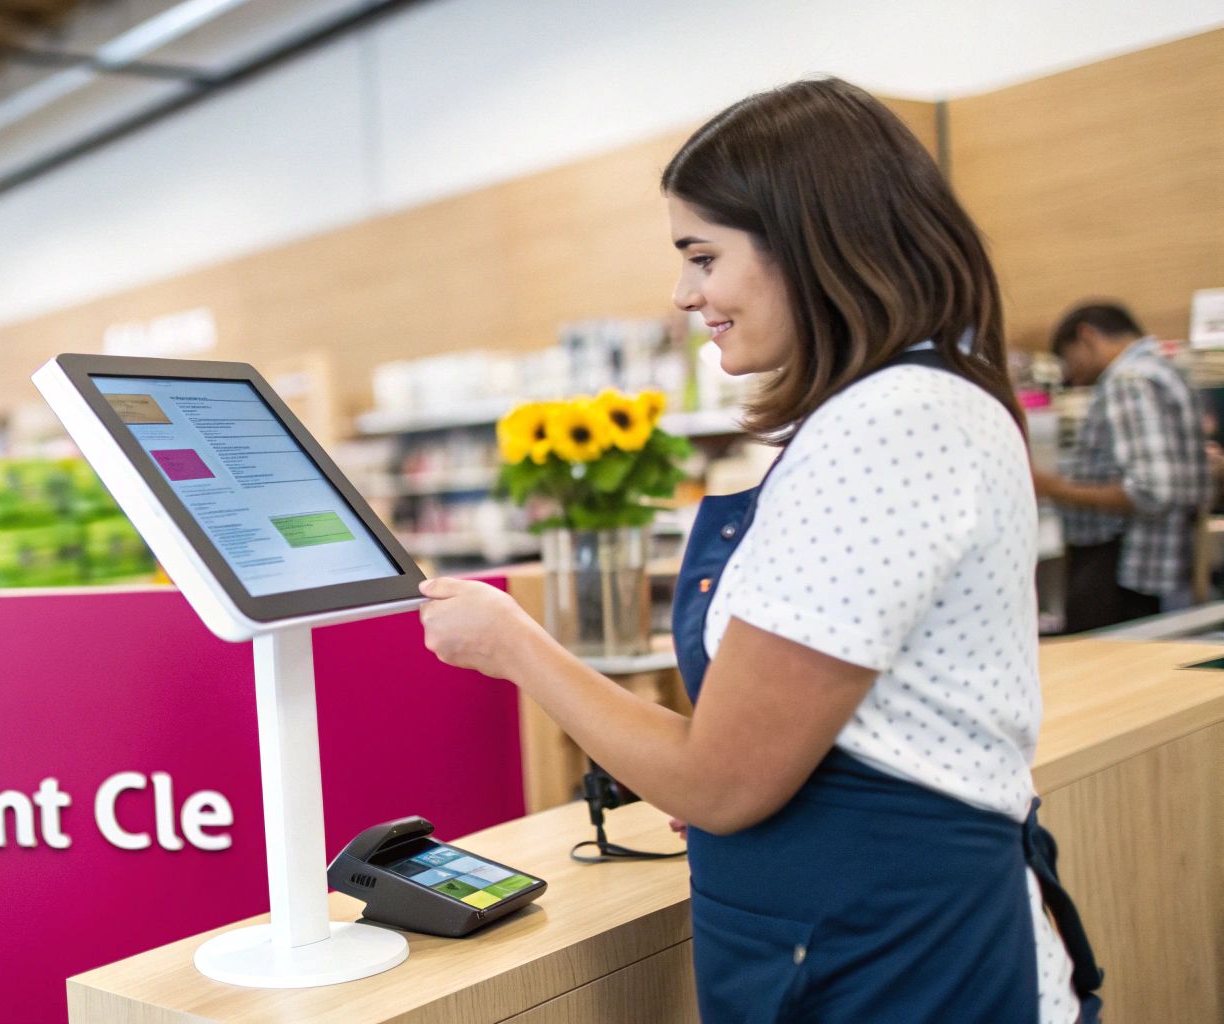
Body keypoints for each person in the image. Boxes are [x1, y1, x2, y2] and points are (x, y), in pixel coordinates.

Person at [417, 79, 1101, 1022]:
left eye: (703, 256)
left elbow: (722, 782)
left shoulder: (889, 424)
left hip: (896, 961)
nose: (684, 293)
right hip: (875, 932)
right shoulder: (913, 404)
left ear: (812, 243)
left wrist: (512, 644)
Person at [1032, 303, 1207, 629]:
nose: (1070, 374)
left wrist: (1050, 486)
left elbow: (1152, 490)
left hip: (1126, 569)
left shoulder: (1127, 381)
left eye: (1067, 358)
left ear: (1086, 335)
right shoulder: (1164, 370)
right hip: (1163, 564)